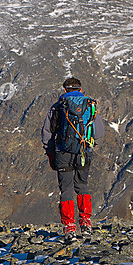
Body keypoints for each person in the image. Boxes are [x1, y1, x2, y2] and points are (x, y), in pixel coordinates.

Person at [41, 77, 105, 239]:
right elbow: (99, 133)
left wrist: (50, 153)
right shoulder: (90, 106)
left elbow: (47, 133)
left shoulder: (58, 107)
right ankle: (86, 223)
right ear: (81, 89)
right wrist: (88, 144)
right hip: (84, 151)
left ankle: (69, 227)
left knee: (66, 189)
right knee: (82, 185)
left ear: (64, 90)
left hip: (63, 152)